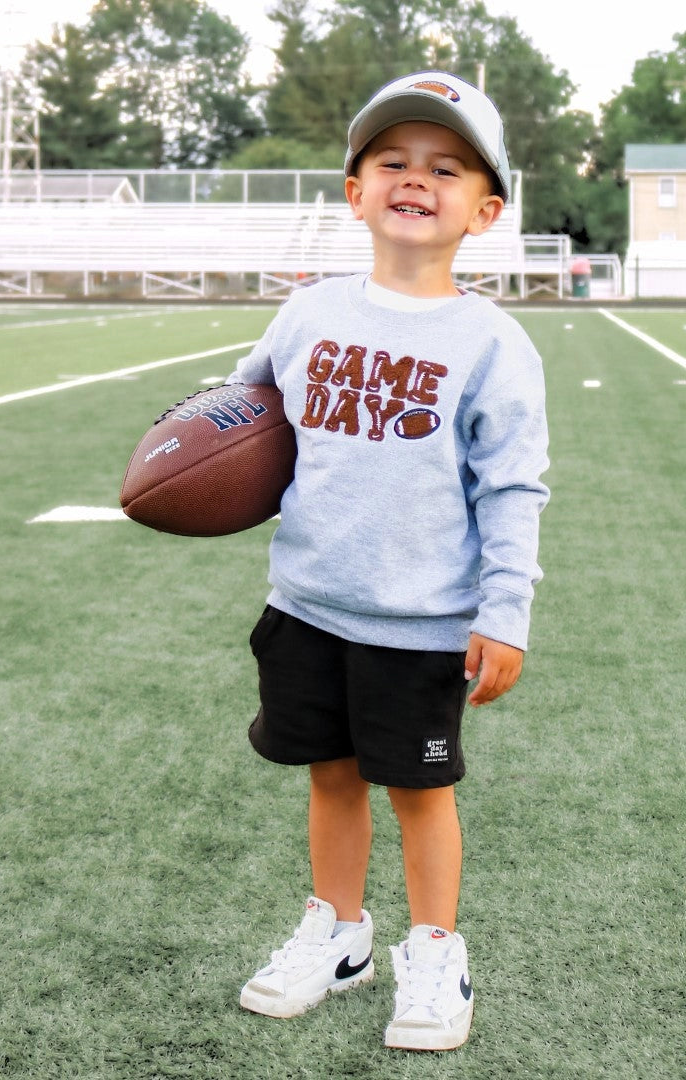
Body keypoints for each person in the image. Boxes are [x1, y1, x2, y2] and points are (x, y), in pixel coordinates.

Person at [229, 70, 550, 1052]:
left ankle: (435, 946)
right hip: (310, 601)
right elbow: (242, 407)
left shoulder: (493, 344)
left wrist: (506, 609)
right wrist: (186, 443)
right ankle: (339, 932)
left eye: (445, 167)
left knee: (419, 790)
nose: (417, 179)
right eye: (393, 162)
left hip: (420, 620)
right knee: (329, 776)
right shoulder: (311, 312)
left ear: (484, 210)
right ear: (354, 190)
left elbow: (512, 489)